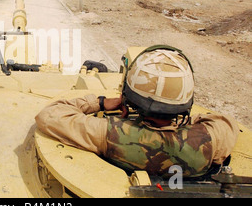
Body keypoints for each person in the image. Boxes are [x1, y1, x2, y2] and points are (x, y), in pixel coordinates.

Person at [35, 46, 239, 177]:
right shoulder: (214, 139)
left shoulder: (107, 133)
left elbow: (49, 115)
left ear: (128, 99)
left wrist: (100, 102)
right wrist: (185, 125)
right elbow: (225, 122)